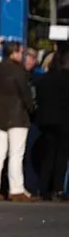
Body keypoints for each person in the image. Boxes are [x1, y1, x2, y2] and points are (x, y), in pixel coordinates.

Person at [0, 41, 37, 202]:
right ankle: (16, 190)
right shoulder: (19, 71)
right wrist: (31, 108)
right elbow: (26, 95)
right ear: (14, 53)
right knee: (16, 154)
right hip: (17, 117)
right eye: (20, 52)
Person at [34, 45, 69, 200]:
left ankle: (43, 188)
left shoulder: (44, 79)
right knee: (61, 156)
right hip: (64, 121)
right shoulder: (66, 79)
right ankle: (58, 189)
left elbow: (39, 100)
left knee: (48, 156)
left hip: (46, 120)